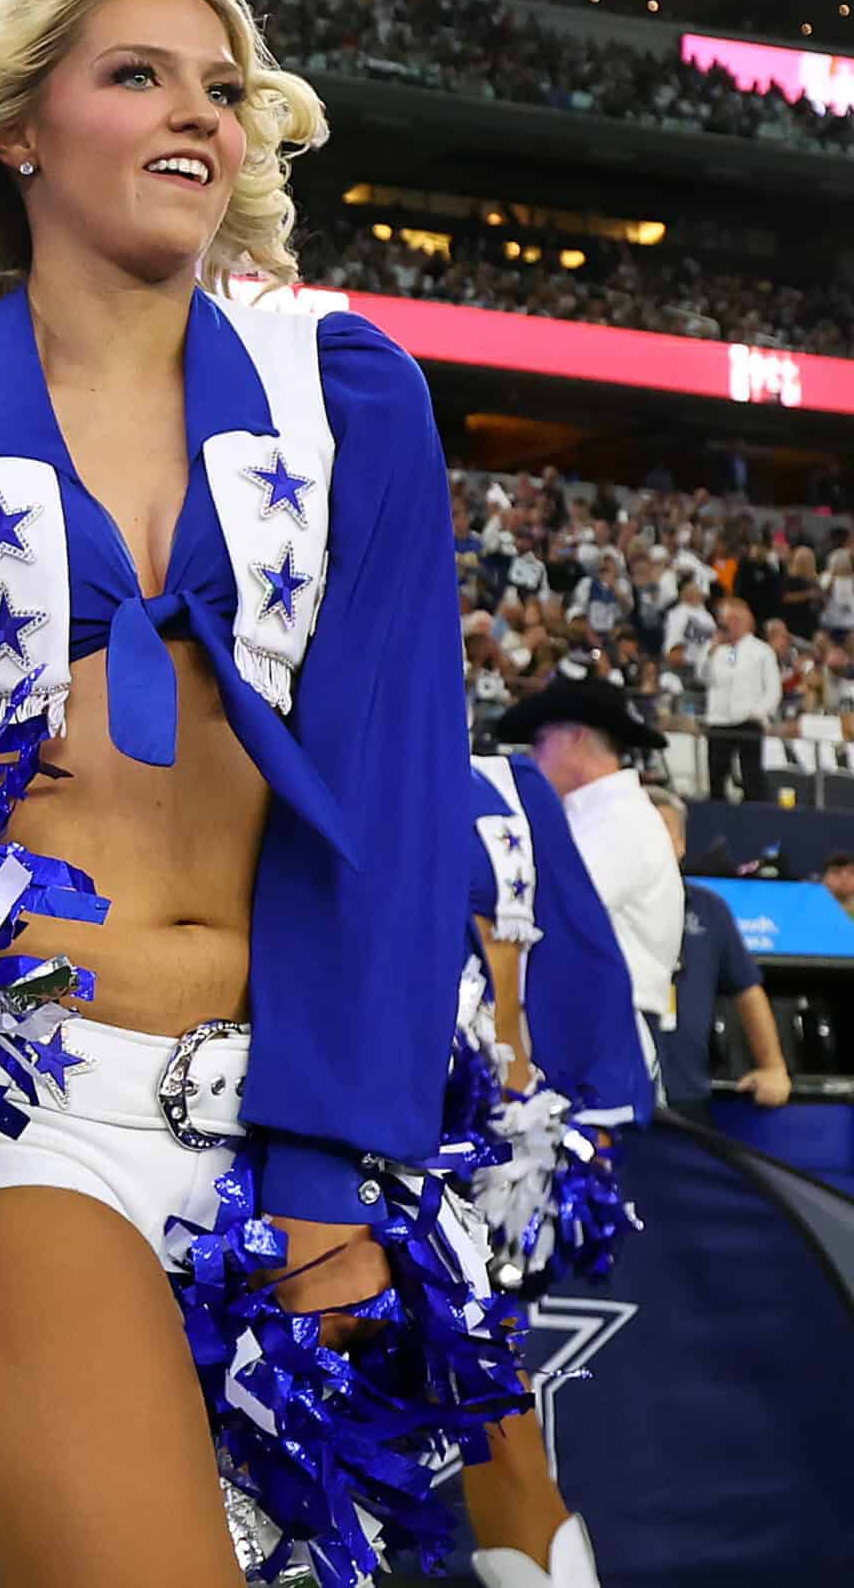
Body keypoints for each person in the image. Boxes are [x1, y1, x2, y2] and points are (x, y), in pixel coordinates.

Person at [0, 0, 468, 1582]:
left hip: (262, 1102)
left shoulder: (346, 394)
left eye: (225, 90)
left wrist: (327, 1159)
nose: (201, 117)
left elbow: (395, 785)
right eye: (138, 75)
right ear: (23, 129)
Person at [454, 754, 655, 1588]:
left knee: (498, 1426)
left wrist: (570, 1132)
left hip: (464, 1163)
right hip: (294, 1134)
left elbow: (575, 961)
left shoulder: (506, 786)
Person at [496, 672, 684, 1069]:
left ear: (575, 737)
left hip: (603, 1035)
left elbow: (552, 918)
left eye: (541, 742)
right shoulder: (601, 818)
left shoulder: (620, 822)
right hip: (590, 1026)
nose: (534, 758)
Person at [658, 792, 793, 1115]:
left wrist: (773, 1067)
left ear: (681, 843)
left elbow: (747, 989)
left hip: (686, 1095)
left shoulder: (709, 910)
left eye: (661, 829)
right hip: (611, 1097)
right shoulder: (599, 905)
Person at [700, 598, 781, 801]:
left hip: (748, 721)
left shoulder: (762, 651)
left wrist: (759, 712)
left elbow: (773, 689)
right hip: (719, 720)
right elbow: (702, 677)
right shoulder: (715, 649)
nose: (730, 624)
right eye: (726, 619)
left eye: (735, 619)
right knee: (716, 777)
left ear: (748, 621)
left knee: (751, 776)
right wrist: (711, 651)